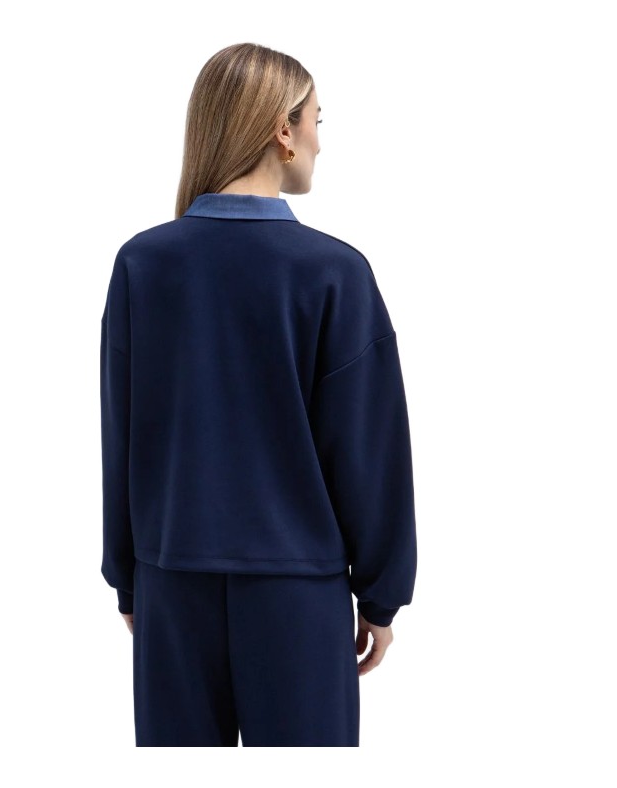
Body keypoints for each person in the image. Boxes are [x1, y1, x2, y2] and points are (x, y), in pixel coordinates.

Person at [100, 42, 417, 747]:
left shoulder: (142, 264)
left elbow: (121, 433)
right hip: (296, 593)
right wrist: (382, 592)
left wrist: (127, 576)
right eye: (316, 121)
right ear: (283, 130)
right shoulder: (334, 272)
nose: (319, 142)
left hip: (171, 583)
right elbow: (368, 450)